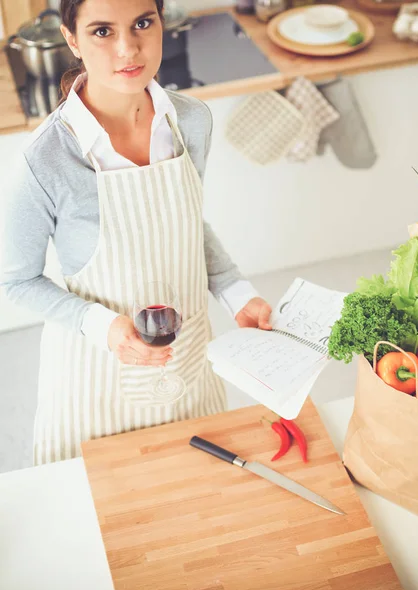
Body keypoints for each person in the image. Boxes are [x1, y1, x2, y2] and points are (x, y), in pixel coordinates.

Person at [1, 0, 272, 465]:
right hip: (95, 377)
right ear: (72, 39)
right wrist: (105, 328)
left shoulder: (190, 121)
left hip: (185, 363)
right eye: (102, 31)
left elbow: (186, 219)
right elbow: (15, 280)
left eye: (142, 23)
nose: (128, 48)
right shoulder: (45, 158)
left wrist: (234, 291)